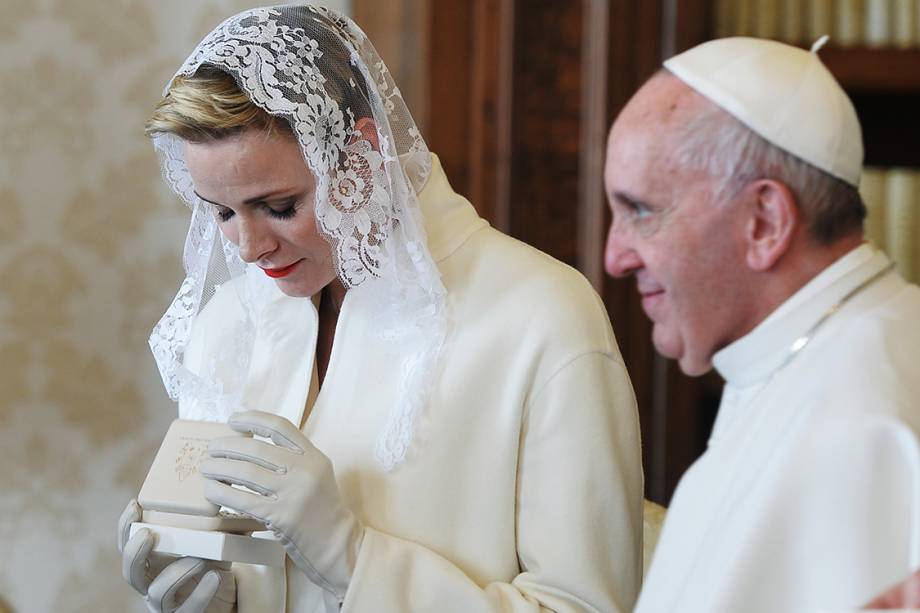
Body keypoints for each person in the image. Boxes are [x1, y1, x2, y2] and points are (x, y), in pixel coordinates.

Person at [117, 5, 642, 613]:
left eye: (281, 205)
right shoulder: (229, 326)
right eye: (222, 212)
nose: (251, 248)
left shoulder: (542, 317)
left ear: (360, 156)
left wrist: (352, 558)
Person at [603, 36, 920, 612]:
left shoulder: (866, 431)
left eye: (641, 211)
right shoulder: (804, 358)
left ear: (765, 222)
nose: (615, 257)